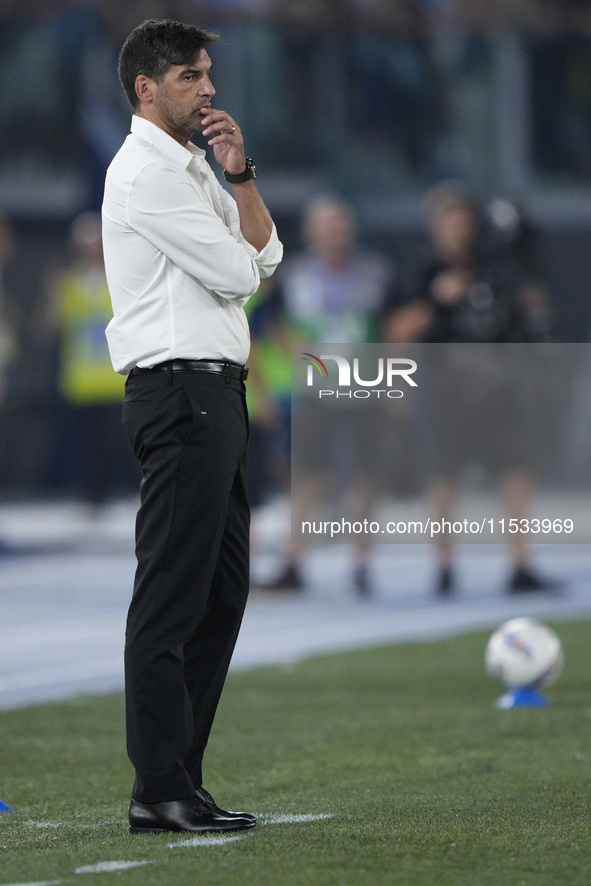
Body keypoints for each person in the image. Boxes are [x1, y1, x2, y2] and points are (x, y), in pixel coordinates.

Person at [102, 19, 282, 835]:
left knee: (219, 595)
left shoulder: (194, 168)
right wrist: (240, 236)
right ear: (146, 88)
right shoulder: (147, 175)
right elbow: (239, 271)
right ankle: (158, 789)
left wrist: (241, 176)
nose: (207, 89)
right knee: (171, 599)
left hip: (213, 395)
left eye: (206, 73)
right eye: (188, 77)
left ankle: (182, 780)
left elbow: (265, 254)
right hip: (179, 393)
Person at [384, 181, 559, 597]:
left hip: (498, 385)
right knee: (446, 473)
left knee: (516, 469)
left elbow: (526, 317)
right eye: (451, 219)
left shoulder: (496, 265)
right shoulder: (421, 268)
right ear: (436, 225)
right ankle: (444, 565)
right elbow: (397, 329)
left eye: (465, 218)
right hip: (448, 387)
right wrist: (437, 300)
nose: (459, 227)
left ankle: (519, 563)